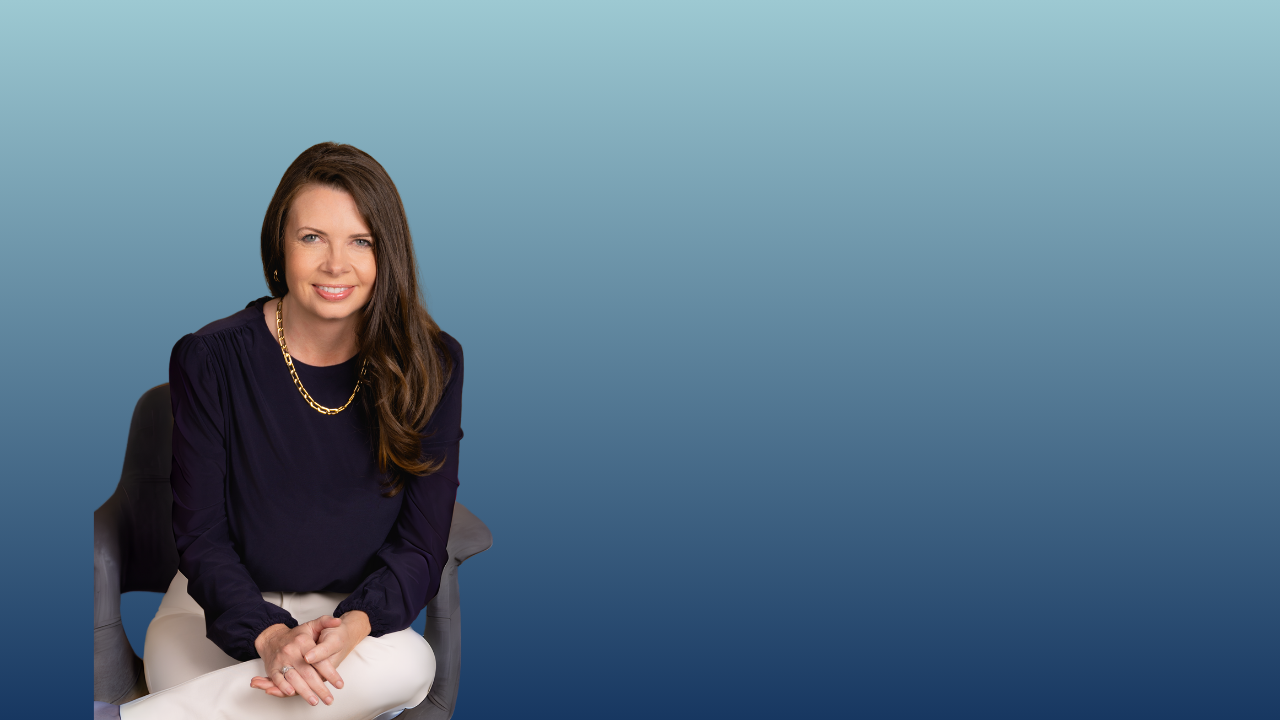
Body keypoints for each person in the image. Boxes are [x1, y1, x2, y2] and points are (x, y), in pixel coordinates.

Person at [115, 142, 464, 720]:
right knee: (254, 688)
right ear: (280, 246)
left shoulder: (433, 364)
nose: (335, 264)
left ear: (388, 254)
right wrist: (270, 637)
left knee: (410, 664)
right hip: (214, 615)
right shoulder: (209, 358)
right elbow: (200, 536)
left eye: (361, 241)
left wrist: (354, 624)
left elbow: (422, 543)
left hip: (353, 626)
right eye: (311, 238)